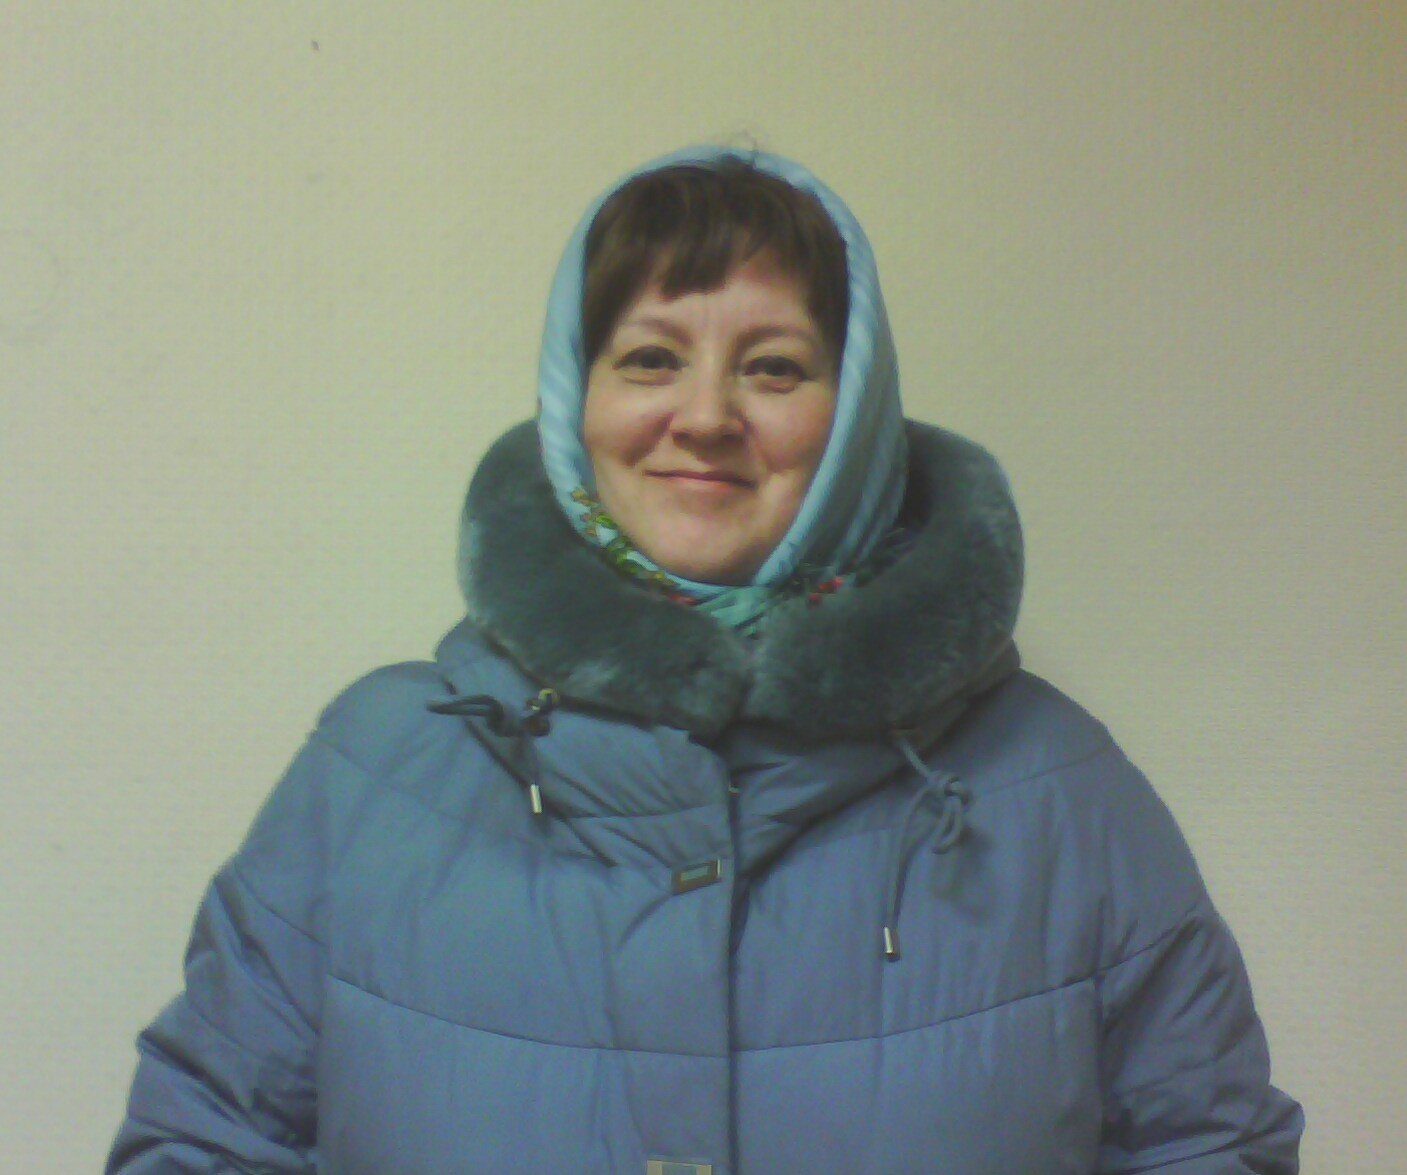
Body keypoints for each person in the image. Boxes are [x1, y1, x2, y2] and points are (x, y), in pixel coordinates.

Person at [108, 147, 1303, 1173]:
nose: (707, 414)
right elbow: (203, 1138)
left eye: (773, 366)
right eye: (649, 358)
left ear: (857, 414)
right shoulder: (371, 774)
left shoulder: (1061, 792)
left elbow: (1210, 1144)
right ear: (576, 400)